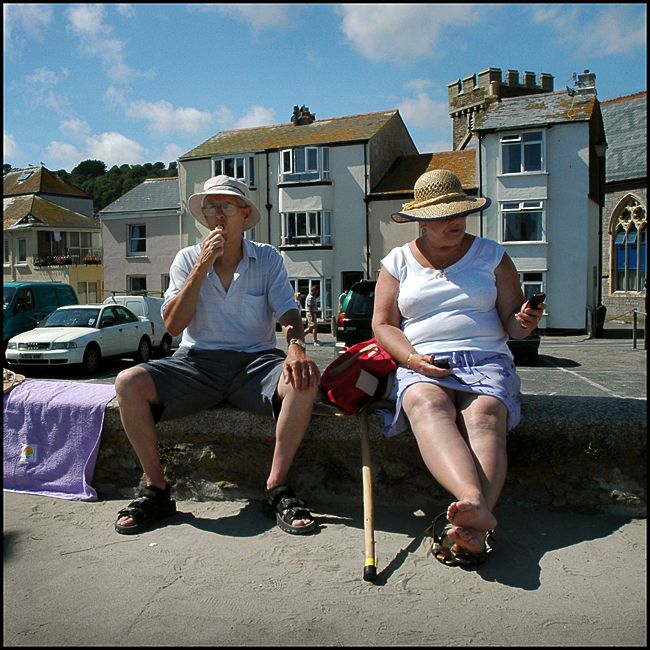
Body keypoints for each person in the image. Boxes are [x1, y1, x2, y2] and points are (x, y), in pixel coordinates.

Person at [113, 175, 320, 536]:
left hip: (255, 363)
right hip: (195, 363)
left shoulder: (268, 258)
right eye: (211, 207)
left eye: (226, 206)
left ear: (244, 213)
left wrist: (296, 347)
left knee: (304, 381)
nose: (217, 215)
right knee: (128, 382)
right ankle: (157, 489)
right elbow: (174, 325)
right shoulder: (187, 259)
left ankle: (276, 488)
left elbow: (288, 312)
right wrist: (202, 265)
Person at [372, 169, 545, 567]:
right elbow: (383, 325)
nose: (455, 222)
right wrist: (412, 359)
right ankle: (476, 511)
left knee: (485, 412)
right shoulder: (397, 261)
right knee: (425, 403)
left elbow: (513, 326)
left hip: (486, 355)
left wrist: (526, 320)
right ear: (421, 219)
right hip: (423, 359)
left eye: (460, 213)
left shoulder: (493, 255)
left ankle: (472, 513)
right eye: (444, 215)